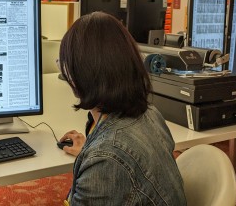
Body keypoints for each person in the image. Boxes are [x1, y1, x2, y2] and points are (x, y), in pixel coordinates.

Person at [57, 12, 186, 206]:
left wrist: (98, 159)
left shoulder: (107, 159)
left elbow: (113, 161)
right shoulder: (149, 112)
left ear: (78, 74)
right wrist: (89, 153)